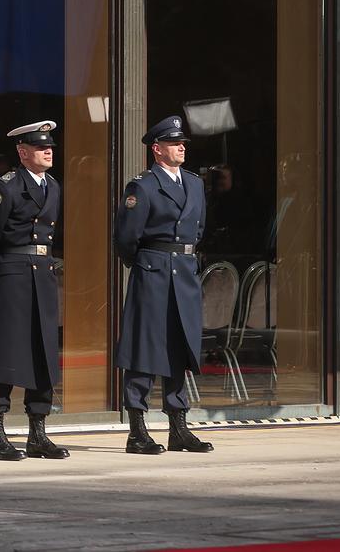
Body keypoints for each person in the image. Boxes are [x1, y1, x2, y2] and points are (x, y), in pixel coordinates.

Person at [113, 115, 214, 456]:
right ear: (157, 150)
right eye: (174, 143)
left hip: (184, 273)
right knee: (145, 350)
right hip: (154, 272)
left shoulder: (194, 183)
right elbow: (126, 239)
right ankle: (137, 430)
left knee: (179, 348)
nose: (181, 147)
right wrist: (145, 264)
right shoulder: (142, 185)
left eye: (183, 142)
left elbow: (197, 232)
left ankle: (178, 427)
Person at [0, 121, 67, 462]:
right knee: (5, 354)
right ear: (22, 152)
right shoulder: (6, 187)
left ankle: (37, 434)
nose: (48, 151)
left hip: (42, 275)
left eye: (50, 147)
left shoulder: (53, 186)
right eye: (41, 147)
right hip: (12, 274)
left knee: (43, 351)